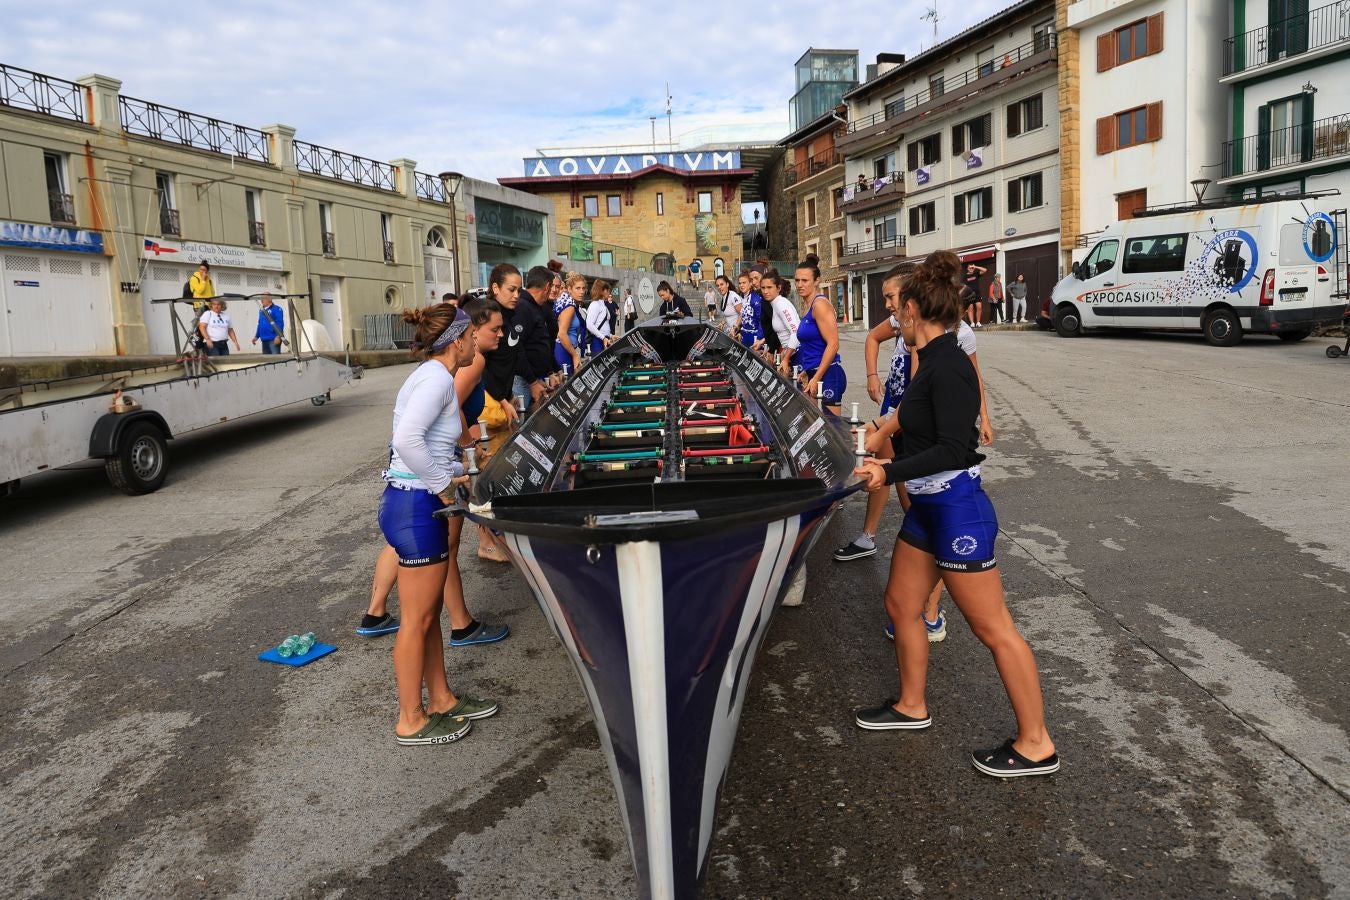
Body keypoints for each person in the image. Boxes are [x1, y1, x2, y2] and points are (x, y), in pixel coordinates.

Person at [852, 250, 1058, 778]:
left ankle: (1036, 743)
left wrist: (886, 473)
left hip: (956, 507)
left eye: (900, 309)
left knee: (994, 630)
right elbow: (905, 416)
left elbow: (953, 448)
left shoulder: (951, 366)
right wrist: (874, 439)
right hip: (927, 507)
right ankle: (911, 706)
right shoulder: (928, 357)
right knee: (901, 603)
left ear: (917, 309)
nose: (894, 317)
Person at [378, 303, 499, 745]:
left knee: (427, 617)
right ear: (459, 339)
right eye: (472, 337)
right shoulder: (435, 379)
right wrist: (442, 484)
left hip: (413, 503)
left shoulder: (436, 378)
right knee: (417, 620)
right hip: (414, 507)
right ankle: (410, 718)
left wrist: (452, 469)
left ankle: (442, 698)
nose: (476, 344)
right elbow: (406, 439)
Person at [793, 254, 844, 414]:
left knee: (834, 432)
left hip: (829, 375)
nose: (800, 285)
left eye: (805, 280)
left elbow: (833, 344)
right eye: (797, 280)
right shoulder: (808, 306)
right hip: (813, 372)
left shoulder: (820, 305)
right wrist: (807, 371)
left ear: (817, 281)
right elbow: (813, 345)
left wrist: (816, 377)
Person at [480, 263, 524, 430]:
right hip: (489, 402)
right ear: (495, 288)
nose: (516, 295)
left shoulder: (509, 315)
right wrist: (501, 399)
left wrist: (508, 395)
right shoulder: (488, 315)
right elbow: (478, 363)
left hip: (503, 396)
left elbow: (509, 359)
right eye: (511, 289)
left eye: (519, 291)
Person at [512, 266, 560, 412]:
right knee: (521, 423)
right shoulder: (523, 307)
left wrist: (546, 373)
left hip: (532, 378)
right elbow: (516, 346)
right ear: (547, 287)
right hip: (522, 381)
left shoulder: (536, 307)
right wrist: (532, 382)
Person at [760, 269, 800, 372]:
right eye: (763, 288)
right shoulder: (775, 304)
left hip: (798, 355)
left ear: (778, 288)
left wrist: (786, 357)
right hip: (791, 353)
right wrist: (784, 352)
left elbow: (796, 332)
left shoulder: (781, 304)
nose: (765, 291)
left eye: (769, 287)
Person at [554, 272, 586, 373]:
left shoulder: (566, 301)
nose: (582, 292)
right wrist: (574, 355)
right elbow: (562, 334)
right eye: (578, 288)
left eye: (583, 288)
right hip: (564, 351)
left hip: (565, 349)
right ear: (569, 289)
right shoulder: (569, 306)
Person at [586, 278, 615, 354]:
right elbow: (589, 324)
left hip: (603, 339)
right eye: (608, 290)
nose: (609, 293)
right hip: (598, 341)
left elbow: (602, 325)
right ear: (603, 290)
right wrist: (603, 337)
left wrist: (610, 335)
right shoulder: (595, 304)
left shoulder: (602, 304)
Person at [737, 272, 763, 348]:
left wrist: (759, 339)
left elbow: (762, 320)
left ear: (751, 283)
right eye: (740, 283)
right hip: (744, 337)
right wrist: (740, 332)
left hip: (755, 338)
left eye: (744, 283)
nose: (741, 285)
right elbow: (744, 318)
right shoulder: (742, 298)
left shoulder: (756, 299)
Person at [963, 263, 987, 328]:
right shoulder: (964, 277)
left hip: (977, 294)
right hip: (969, 295)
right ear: (967, 269)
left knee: (979, 307)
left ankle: (978, 322)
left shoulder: (976, 274)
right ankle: (972, 323)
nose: (971, 269)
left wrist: (975, 266)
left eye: (972, 268)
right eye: (970, 268)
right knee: (970, 308)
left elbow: (985, 270)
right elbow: (963, 286)